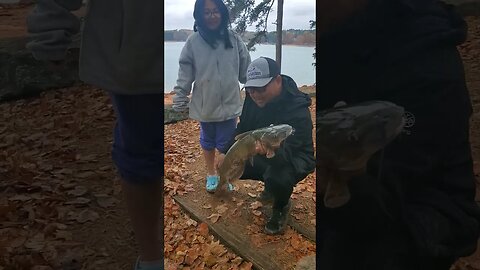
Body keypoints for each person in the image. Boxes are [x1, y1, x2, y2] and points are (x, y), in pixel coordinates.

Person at [316, 0, 480, 269]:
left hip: (414, 224)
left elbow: (419, 208)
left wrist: (350, 185)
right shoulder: (327, 37)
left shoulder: (424, 58)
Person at [26, 1, 164, 269]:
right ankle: (152, 259)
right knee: (140, 157)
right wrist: (50, 25)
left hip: (152, 51)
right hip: (132, 51)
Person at [217, 57, 316, 235]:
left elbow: (296, 150)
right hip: (262, 148)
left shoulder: (297, 109)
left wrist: (274, 151)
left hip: (295, 158)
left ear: (277, 80)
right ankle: (271, 187)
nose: (254, 94)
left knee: (278, 176)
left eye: (261, 88)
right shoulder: (252, 98)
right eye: (250, 88)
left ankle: (281, 205)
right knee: (229, 164)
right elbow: (243, 127)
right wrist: (225, 152)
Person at [172, 0, 251, 194]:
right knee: (208, 140)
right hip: (205, 103)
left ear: (222, 13)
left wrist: (254, 88)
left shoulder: (233, 39)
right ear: (200, 16)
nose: (212, 16)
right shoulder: (193, 42)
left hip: (230, 104)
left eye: (215, 11)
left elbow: (246, 70)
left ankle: (227, 175)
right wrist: (180, 96)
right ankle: (211, 174)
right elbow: (185, 74)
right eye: (207, 13)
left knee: (227, 143)